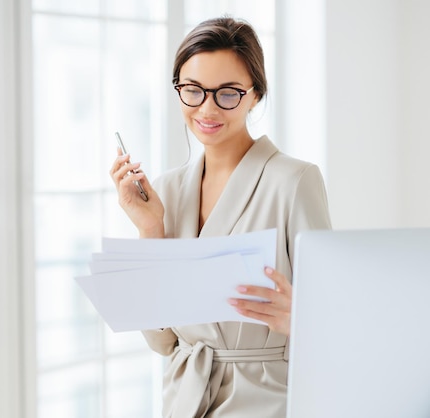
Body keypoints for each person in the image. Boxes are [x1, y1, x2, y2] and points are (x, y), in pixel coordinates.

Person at [109, 16, 331, 418]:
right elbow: (161, 342)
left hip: (268, 400)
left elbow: (334, 323)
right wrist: (149, 227)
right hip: (184, 399)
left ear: (255, 95)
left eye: (227, 93)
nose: (207, 109)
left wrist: (303, 318)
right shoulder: (168, 190)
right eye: (192, 91)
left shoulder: (294, 181)